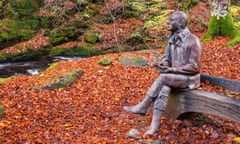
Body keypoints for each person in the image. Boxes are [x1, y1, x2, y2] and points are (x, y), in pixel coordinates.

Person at [123, 11, 202, 136]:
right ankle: (154, 126)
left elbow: (194, 67)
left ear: (180, 23)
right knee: (164, 88)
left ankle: (143, 106)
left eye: (171, 20)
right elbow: (166, 57)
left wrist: (173, 70)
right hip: (172, 77)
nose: (168, 23)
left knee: (163, 78)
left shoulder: (193, 41)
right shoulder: (171, 38)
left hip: (189, 79)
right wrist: (164, 64)